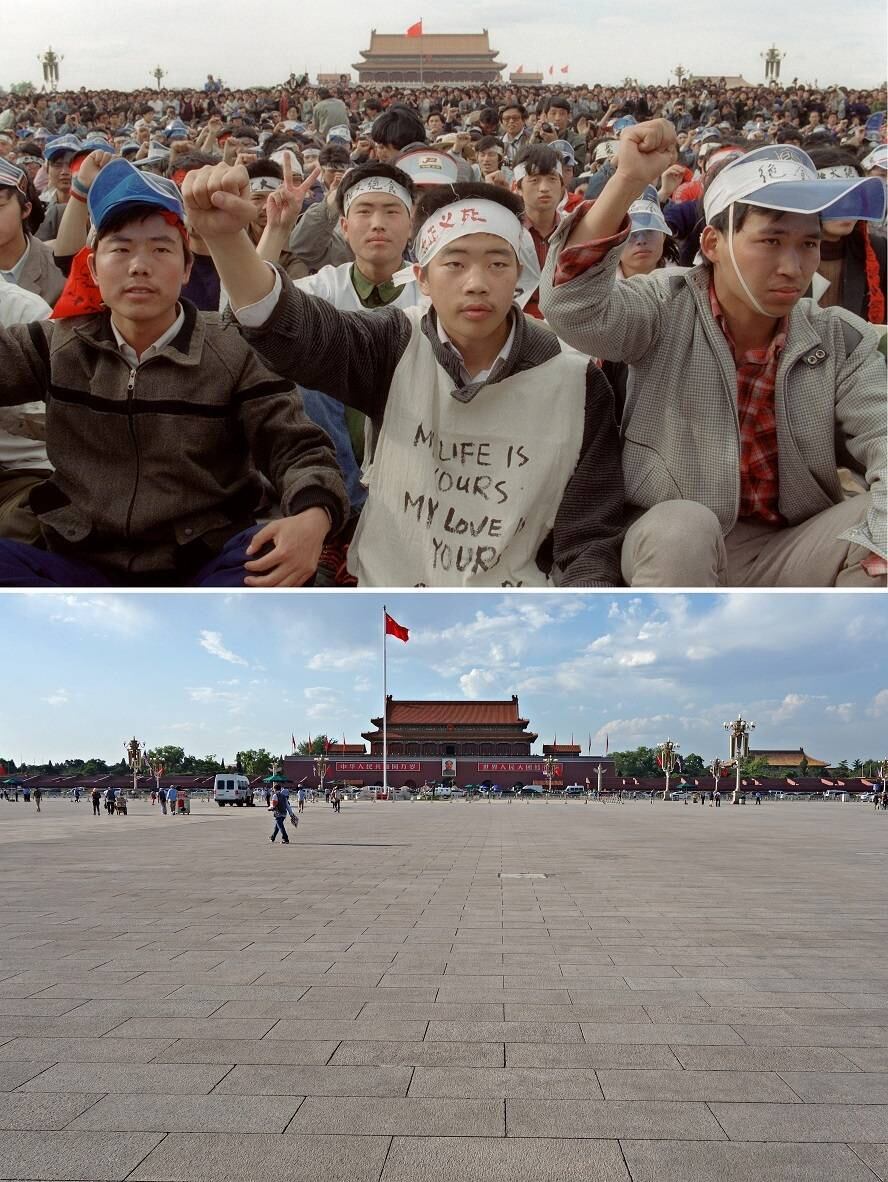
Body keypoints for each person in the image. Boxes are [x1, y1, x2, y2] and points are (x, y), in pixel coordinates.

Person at [184, 164, 624, 587]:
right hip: (388, 590)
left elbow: (589, 536)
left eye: (497, 264)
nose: (476, 283)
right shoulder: (394, 344)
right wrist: (226, 240)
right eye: (454, 263)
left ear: (519, 277)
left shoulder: (576, 381)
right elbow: (291, 329)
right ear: (422, 278)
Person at [541, 121, 887, 587]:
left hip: (793, 548)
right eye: (771, 240)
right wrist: (627, 180)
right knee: (684, 527)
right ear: (712, 243)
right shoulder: (663, 307)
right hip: (671, 544)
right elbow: (572, 306)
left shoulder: (839, 339)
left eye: (808, 244)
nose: (794, 266)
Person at [0, 155, 348, 587]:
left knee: (273, 571)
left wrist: (313, 516)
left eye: (161, 248)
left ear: (186, 268)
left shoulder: (233, 349)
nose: (139, 265)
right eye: (121, 249)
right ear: (92, 267)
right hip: (79, 559)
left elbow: (298, 450)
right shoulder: (58, 344)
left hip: (204, 558)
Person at [512, 145, 567, 318]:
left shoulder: (575, 227)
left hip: (567, 325)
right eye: (534, 180)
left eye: (552, 179)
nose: (544, 188)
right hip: (517, 321)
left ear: (562, 185)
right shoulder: (506, 231)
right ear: (517, 187)